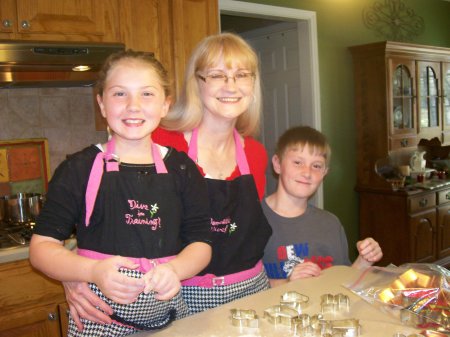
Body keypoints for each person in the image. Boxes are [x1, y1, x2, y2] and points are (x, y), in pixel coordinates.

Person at [61, 32, 273, 327]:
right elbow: (106, 218)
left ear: (253, 84)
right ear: (197, 84)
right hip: (185, 299)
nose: (230, 85)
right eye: (216, 75)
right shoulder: (161, 143)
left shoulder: (255, 153)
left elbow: (246, 230)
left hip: (253, 291)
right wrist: (75, 274)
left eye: (241, 75)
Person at [29, 50, 212, 336]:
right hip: (100, 323)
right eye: (119, 94)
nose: (133, 106)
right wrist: (93, 272)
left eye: (147, 94)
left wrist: (176, 270)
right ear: (102, 104)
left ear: (165, 105)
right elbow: (41, 249)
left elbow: (202, 243)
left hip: (171, 319)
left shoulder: (182, 168)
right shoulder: (78, 168)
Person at [262, 126, 383, 287]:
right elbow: (241, 293)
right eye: (298, 162)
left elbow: (341, 283)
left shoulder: (330, 224)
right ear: (277, 164)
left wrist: (363, 262)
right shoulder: (252, 221)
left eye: (316, 166)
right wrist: (287, 282)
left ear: (325, 173)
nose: (307, 172)